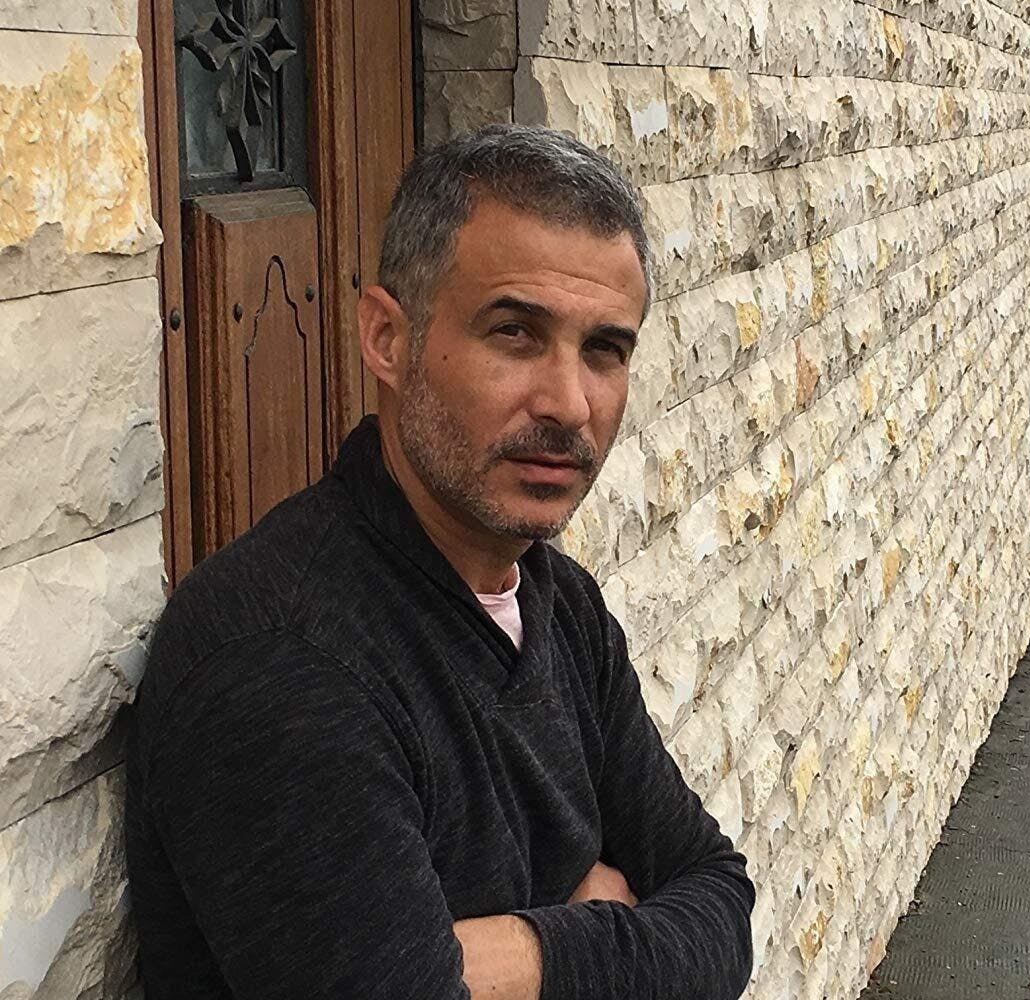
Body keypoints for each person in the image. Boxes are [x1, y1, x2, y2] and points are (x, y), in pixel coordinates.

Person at [126, 124, 755, 1000]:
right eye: (515, 333)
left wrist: (526, 953)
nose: (569, 404)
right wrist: (613, 921)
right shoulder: (285, 663)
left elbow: (719, 903)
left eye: (603, 350)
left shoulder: (558, 603)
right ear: (388, 338)